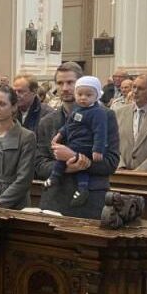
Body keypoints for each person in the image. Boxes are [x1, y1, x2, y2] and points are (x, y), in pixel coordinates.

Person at [34, 63, 120, 218]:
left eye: (70, 82)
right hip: (54, 199)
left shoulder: (105, 116)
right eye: (60, 83)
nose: (65, 88)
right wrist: (67, 167)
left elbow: (111, 162)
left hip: (91, 201)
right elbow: (39, 165)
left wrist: (75, 157)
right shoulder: (47, 121)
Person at [43, 76, 109, 206]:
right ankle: (82, 188)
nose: (83, 98)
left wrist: (97, 149)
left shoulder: (98, 112)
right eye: (80, 94)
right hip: (75, 144)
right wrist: (60, 134)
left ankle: (54, 177)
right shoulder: (77, 110)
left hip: (86, 146)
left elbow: (100, 132)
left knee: (65, 159)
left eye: (88, 95)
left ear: (97, 96)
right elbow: (69, 126)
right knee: (78, 167)